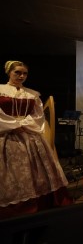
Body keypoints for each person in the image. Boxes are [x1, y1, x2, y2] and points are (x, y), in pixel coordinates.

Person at [0, 60, 73, 220]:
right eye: (17, 72)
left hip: (28, 134)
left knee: (35, 170)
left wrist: (23, 124)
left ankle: (40, 203)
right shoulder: (0, 90)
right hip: (5, 134)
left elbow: (38, 116)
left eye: (24, 73)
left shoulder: (33, 94)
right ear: (9, 72)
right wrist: (13, 125)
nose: (21, 76)